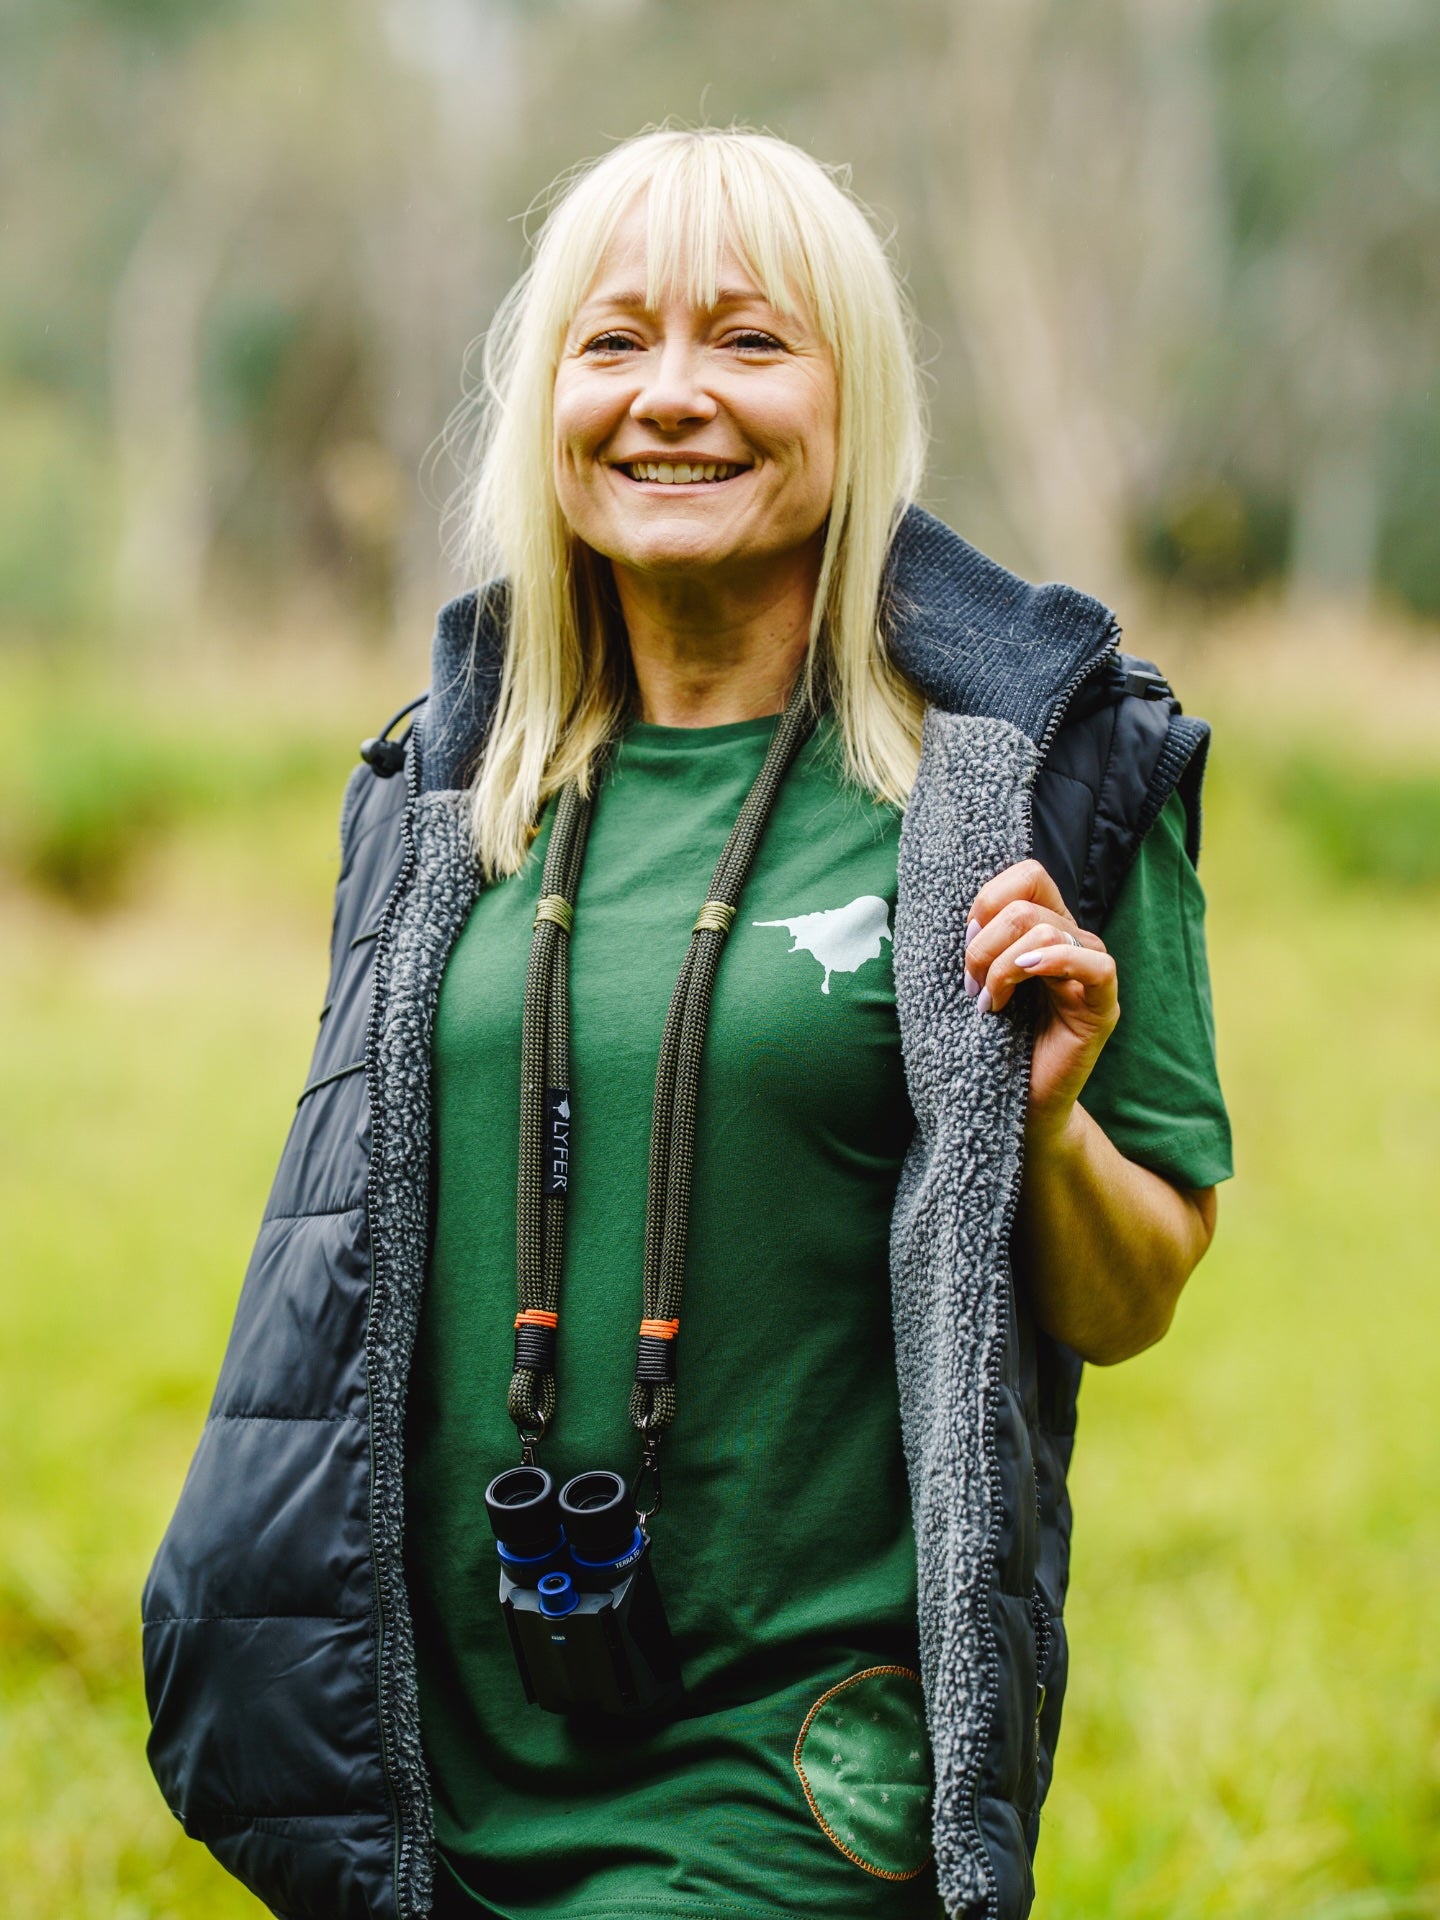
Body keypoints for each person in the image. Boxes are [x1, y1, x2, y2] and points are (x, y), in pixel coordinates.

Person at [142, 128, 1232, 1920]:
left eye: (748, 339)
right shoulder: (442, 798)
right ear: (545, 404)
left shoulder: (1044, 786)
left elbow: (1135, 1298)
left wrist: (1043, 1120)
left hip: (788, 1774)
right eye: (612, 342)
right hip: (428, 1765)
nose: (670, 397)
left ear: (853, 398)